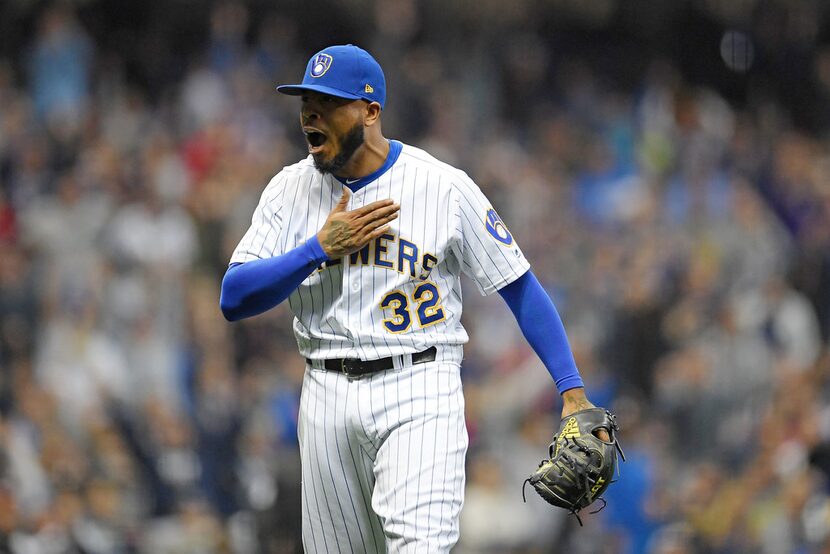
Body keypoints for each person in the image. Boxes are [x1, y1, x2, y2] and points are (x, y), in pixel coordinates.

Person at [220, 44, 602, 553]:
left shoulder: (442, 186)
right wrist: (316, 250)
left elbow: (520, 287)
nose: (311, 115)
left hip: (419, 386)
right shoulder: (288, 191)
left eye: (327, 104)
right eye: (305, 103)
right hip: (324, 395)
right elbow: (234, 296)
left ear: (370, 111)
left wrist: (571, 390)